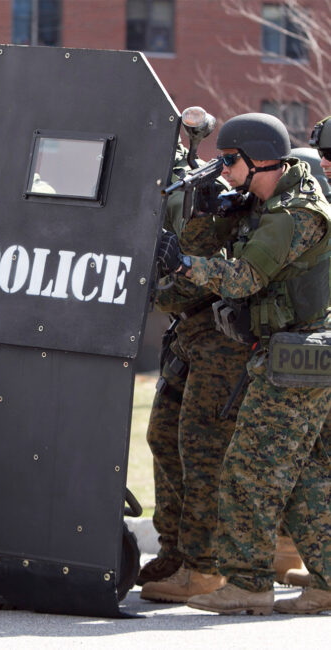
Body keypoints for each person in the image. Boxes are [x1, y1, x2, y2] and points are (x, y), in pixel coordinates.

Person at [158, 112, 331, 615]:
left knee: (248, 470)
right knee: (305, 476)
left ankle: (249, 584)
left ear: (259, 160)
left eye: (230, 161)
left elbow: (245, 278)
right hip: (293, 355)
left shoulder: (294, 214)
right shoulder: (272, 200)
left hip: (296, 357)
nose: (225, 169)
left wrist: (184, 262)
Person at [138, 144, 250, 602]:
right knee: (163, 436)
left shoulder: (211, 203)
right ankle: (175, 550)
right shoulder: (175, 201)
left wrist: (150, 287)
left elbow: (183, 289)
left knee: (201, 451)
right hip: (188, 341)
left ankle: (204, 567)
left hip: (218, 346)